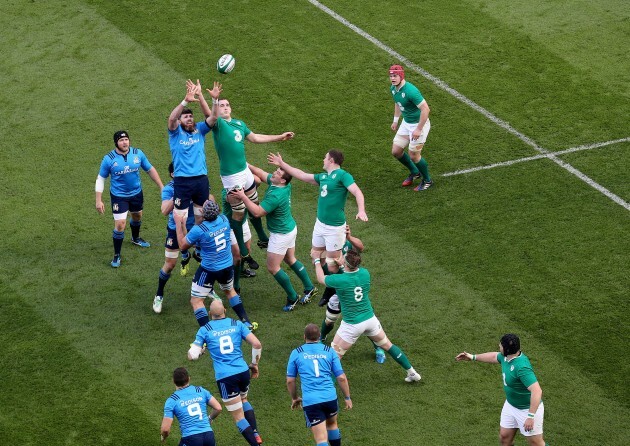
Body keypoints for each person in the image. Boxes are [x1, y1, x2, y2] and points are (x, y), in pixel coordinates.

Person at [201, 82, 294, 266]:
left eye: (227, 105)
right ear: (217, 111)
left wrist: (280, 137)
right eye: (221, 106)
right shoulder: (218, 124)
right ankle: (244, 253)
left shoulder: (239, 124)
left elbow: (256, 138)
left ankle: (261, 237)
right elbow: (207, 114)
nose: (225, 107)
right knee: (239, 214)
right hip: (232, 177)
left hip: (244, 172)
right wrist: (213, 99)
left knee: (254, 204)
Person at [312, 249, 421, 382]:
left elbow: (320, 278)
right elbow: (351, 276)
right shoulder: (365, 273)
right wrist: (342, 266)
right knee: (388, 345)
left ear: (346, 264)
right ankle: (412, 372)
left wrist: (317, 260)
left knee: (334, 357)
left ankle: (324, 390)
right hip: (370, 320)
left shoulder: (339, 280)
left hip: (352, 325)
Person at [231, 163, 318, 312]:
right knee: (291, 259)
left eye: (278, 173)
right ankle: (309, 287)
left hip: (281, 234)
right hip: (290, 228)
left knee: (273, 267)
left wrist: (243, 197)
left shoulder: (276, 196)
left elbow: (257, 212)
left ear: (283, 180)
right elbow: (261, 172)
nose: (274, 173)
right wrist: (244, 164)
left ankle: (292, 296)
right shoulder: (282, 184)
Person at [267, 150, 367, 276]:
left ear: (331, 160)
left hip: (334, 228)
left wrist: (361, 210)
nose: (323, 160)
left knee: (332, 267)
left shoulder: (343, 175)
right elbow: (301, 175)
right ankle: (332, 280)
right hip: (320, 224)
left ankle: (346, 281)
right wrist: (282, 163)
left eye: (325, 158)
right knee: (317, 257)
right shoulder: (323, 177)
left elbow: (357, 192)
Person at [188, 300, 264, 446]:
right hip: (242, 372)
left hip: (225, 377)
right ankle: (255, 432)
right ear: (225, 310)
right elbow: (257, 344)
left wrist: (200, 352)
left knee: (238, 418)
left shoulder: (205, 329)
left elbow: (192, 355)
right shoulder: (237, 324)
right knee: (244, 400)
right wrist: (254, 364)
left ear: (210, 314)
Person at [174, 199, 257, 331]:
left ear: (203, 213)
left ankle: (208, 332)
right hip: (227, 266)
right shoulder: (224, 220)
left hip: (209, 269)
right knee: (230, 291)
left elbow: (183, 245)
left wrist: (179, 223)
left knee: (196, 301)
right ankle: (246, 322)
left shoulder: (199, 230)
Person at [455, 334, 548, 446]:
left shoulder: (521, 367)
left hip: (527, 410)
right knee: (505, 438)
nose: (499, 346)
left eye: (501, 345)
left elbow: (537, 391)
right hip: (511, 405)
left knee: (536, 443)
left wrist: (530, 416)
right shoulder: (507, 357)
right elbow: (495, 357)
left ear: (507, 349)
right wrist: (473, 357)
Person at [316, 225, 386, 364]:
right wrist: (320, 258)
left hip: (352, 289)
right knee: (330, 319)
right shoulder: (328, 247)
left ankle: (379, 349)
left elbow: (361, 248)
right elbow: (325, 267)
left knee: (364, 321)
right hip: (338, 289)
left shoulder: (347, 244)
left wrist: (349, 237)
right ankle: (321, 337)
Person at [95, 130, 163, 267]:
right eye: (121, 140)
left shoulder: (138, 154)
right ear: (116, 143)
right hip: (119, 197)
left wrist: (161, 186)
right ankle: (117, 255)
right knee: (120, 225)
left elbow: (149, 169)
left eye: (126, 139)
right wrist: (98, 200)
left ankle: (135, 238)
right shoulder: (109, 159)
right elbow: (101, 178)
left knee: (137, 216)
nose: (125, 142)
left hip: (136, 193)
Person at [153, 163, 211, 314]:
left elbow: (210, 197)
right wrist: (179, 194)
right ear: (173, 175)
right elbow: (164, 210)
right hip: (175, 231)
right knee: (170, 264)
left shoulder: (196, 183)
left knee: (205, 259)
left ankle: (207, 289)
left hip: (196, 229)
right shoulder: (168, 189)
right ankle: (159, 294)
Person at [287, 324, 352, 446]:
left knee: (321, 439)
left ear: (304, 336)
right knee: (332, 425)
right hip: (330, 398)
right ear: (319, 336)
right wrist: (347, 397)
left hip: (311, 401)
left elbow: (290, 381)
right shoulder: (329, 351)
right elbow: (341, 378)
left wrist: (295, 398)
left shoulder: (296, 353)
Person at [167, 80, 213, 230]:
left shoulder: (199, 129)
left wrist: (200, 95)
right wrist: (185, 101)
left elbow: (213, 118)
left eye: (191, 117)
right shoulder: (175, 133)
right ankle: (184, 246)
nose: (189, 119)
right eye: (185, 117)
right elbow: (171, 119)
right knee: (181, 218)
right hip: (182, 181)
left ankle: (198, 247)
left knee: (200, 215)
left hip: (201, 179)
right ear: (180, 121)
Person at [389, 64, 433, 191]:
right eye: (391, 76)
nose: (392, 78)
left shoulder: (411, 91)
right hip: (406, 123)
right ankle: (415, 172)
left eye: (395, 76)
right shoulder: (393, 88)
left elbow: (426, 109)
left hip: (419, 124)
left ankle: (427, 180)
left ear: (401, 76)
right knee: (396, 151)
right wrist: (396, 121)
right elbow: (398, 103)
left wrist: (418, 129)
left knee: (414, 155)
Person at [160, 367, 222, 446]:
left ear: (173, 381)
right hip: (209, 436)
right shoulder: (200, 390)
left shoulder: (172, 400)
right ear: (189, 379)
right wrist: (209, 418)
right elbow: (218, 408)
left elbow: (165, 429)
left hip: (191, 438)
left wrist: (164, 437)